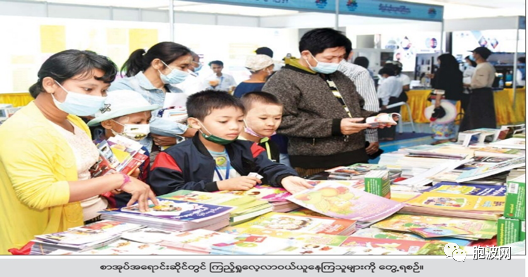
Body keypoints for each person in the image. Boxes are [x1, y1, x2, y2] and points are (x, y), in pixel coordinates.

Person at [0, 50, 157, 254]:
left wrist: (113, 177)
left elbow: (83, 172)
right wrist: (116, 181)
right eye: (88, 89)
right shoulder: (23, 130)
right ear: (50, 84)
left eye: (103, 90)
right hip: (48, 238)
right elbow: (39, 194)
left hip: (89, 225)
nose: (97, 98)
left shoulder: (73, 120)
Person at [263, 28, 381, 177]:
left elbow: (355, 110)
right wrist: (334, 127)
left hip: (356, 155)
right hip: (316, 161)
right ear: (306, 54)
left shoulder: (340, 77)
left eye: (341, 57)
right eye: (330, 58)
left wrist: (375, 119)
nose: (337, 62)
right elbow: (280, 122)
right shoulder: (283, 80)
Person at [148, 90, 312, 195]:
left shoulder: (249, 148)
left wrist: (285, 177)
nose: (234, 127)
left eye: (240, 120)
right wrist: (219, 185)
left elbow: (270, 166)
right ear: (196, 123)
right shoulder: (172, 156)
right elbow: (167, 190)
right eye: (223, 121)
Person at [109, 42, 198, 155]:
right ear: (157, 63)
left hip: (169, 156)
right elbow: (138, 120)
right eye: (182, 67)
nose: (187, 72)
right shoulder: (123, 87)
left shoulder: (177, 92)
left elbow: (185, 122)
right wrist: (186, 132)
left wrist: (179, 139)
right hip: (131, 155)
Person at [87, 90, 159, 207]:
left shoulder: (142, 151)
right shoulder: (93, 151)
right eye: (137, 122)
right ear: (108, 123)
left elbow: (143, 184)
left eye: (147, 121)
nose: (145, 126)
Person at [339, 53, 381, 158]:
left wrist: (371, 136)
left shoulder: (357, 72)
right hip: (351, 137)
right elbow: (367, 106)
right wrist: (372, 137)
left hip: (307, 143)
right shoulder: (356, 71)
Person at [459, 47, 497, 131]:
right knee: (478, 115)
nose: (472, 55)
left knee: (479, 115)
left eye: (474, 53)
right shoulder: (485, 66)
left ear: (478, 55)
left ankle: (478, 132)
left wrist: (468, 85)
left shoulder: (483, 67)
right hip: (483, 93)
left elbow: (481, 83)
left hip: (480, 94)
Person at [239, 91, 283, 163]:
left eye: (277, 118)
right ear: (242, 116)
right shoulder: (230, 145)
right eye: (263, 118)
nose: (271, 123)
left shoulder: (271, 145)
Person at [430, 54, 464, 144]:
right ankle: (451, 136)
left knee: (440, 117)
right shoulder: (458, 72)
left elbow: (440, 87)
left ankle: (441, 137)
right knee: (450, 117)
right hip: (453, 98)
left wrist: (438, 99)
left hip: (443, 98)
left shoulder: (442, 72)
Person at [377, 66, 403, 141]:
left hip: (387, 101)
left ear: (385, 74)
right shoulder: (399, 80)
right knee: (393, 118)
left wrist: (384, 104)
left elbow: (385, 93)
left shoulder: (387, 81)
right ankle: (390, 135)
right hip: (395, 100)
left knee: (382, 118)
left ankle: (382, 136)